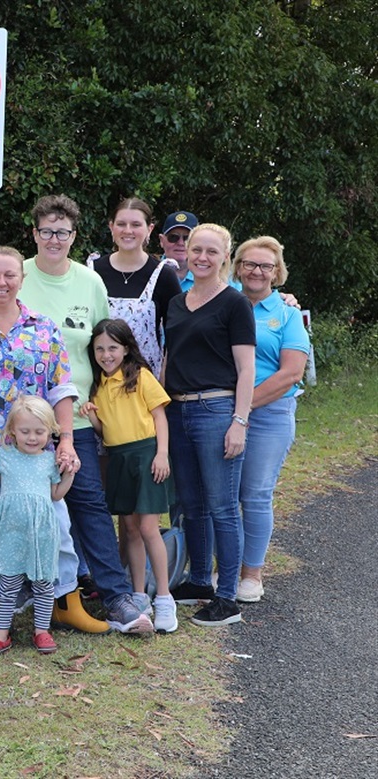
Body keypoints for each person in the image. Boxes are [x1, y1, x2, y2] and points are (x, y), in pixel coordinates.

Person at [0, 246, 108, 638]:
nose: (2, 283)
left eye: (10, 275)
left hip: (37, 453)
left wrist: (65, 441)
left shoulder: (44, 328)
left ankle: (66, 605)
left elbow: (61, 389)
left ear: (22, 278)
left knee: (56, 530)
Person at [18, 194, 154, 634]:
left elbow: (104, 351)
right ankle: (26, 600)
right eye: (46, 231)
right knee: (25, 510)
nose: (54, 239)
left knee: (89, 505)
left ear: (75, 236)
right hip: (22, 424)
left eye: (63, 232)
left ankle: (115, 598)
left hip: (75, 418)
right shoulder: (14, 276)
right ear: (34, 233)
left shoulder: (89, 282)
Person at [163, 224, 256, 627]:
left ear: (225, 257)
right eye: (195, 249)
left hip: (216, 410)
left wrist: (239, 421)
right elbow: (169, 359)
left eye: (211, 251)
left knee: (222, 506)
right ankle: (199, 580)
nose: (201, 256)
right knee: (191, 504)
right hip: (178, 411)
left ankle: (226, 596)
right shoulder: (178, 301)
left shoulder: (235, 304)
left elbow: (246, 367)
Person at [81, 319, 177, 633]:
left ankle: (164, 597)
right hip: (119, 458)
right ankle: (138, 596)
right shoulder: (99, 385)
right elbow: (105, 431)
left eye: (112, 347)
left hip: (147, 455)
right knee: (131, 529)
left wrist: (162, 453)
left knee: (149, 527)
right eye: (99, 349)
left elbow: (159, 416)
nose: (106, 354)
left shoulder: (141, 377)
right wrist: (93, 418)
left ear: (125, 348)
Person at [232, 237, 310, 603]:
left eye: (266, 266)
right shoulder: (223, 300)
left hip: (269, 413)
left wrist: (242, 411)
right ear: (237, 266)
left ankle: (251, 573)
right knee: (223, 494)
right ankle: (225, 567)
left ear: (277, 273)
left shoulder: (288, 313)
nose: (257, 271)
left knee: (256, 494)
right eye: (250, 263)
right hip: (224, 410)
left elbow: (291, 373)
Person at [0, 395, 74, 658]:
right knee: (8, 584)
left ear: (50, 432)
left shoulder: (49, 460)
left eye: (39, 432)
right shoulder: (5, 456)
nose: (32, 437)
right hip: (11, 532)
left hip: (41, 531)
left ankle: (41, 630)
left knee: (43, 583)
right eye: (25, 431)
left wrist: (69, 473)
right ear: (12, 431)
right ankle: (1, 636)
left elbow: (56, 494)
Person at [86, 198, 181, 378]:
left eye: (136, 224)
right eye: (121, 224)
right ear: (111, 227)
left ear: (149, 229)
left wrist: (164, 380)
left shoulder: (163, 275)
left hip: (145, 385)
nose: (128, 230)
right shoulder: (93, 271)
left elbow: (175, 336)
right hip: (99, 383)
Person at [158, 210, 199, 292]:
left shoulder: (216, 278)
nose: (181, 243)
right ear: (162, 241)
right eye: (173, 237)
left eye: (187, 238)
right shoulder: (148, 273)